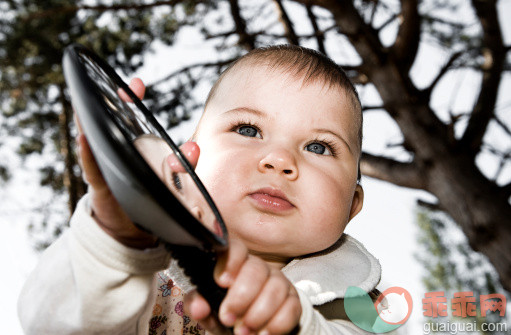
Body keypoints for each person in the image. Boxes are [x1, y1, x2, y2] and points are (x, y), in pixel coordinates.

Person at [18, 45, 381, 334]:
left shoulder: (357, 303)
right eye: (248, 130)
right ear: (187, 161)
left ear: (352, 205)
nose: (279, 160)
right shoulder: (147, 269)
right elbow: (48, 322)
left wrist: (298, 326)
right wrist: (115, 242)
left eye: (318, 147)